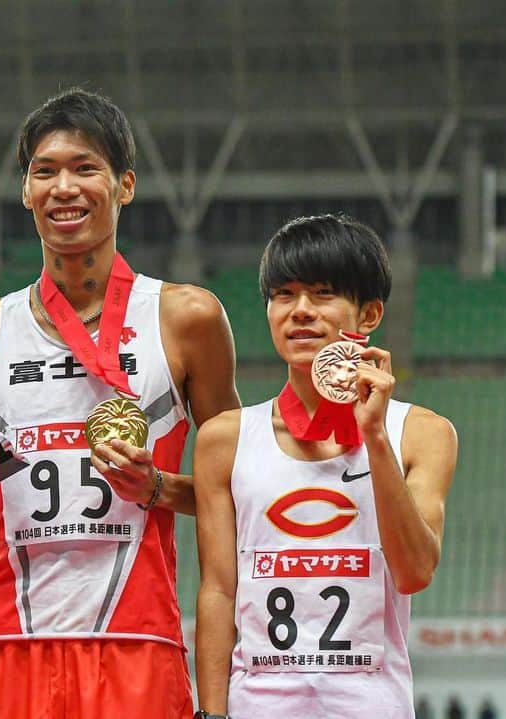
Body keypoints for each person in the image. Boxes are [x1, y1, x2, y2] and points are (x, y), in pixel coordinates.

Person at [0, 87, 240, 719]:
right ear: (26, 193)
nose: (65, 187)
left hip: (136, 640)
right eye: (45, 171)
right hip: (7, 640)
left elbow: (242, 491)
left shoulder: (184, 317)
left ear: (125, 185)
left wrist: (158, 487)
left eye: (85, 167)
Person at [193, 214, 458, 718]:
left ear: (370, 314)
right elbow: (219, 588)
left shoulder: (421, 433)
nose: (301, 312)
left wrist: (374, 436)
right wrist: (211, 713)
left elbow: (414, 571)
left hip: (372, 704)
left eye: (322, 293)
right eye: (284, 295)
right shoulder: (225, 439)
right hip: (257, 705)